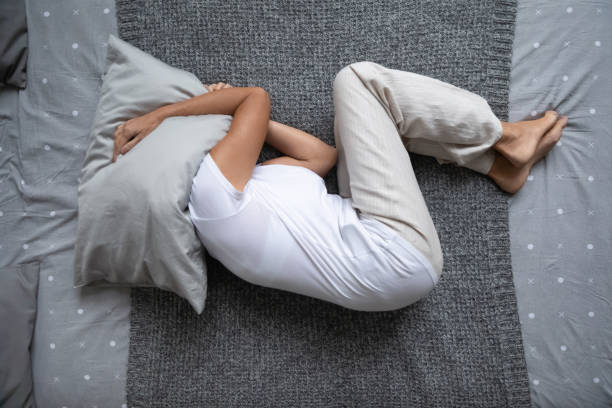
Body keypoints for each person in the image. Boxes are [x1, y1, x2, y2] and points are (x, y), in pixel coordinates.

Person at [112, 61, 568, 312]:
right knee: (358, 82)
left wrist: (233, 119)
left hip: (382, 260)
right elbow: (255, 96)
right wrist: (162, 115)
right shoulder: (209, 197)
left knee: (374, 123)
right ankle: (508, 136)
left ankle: (497, 166)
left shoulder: (240, 197)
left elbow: (322, 158)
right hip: (393, 253)